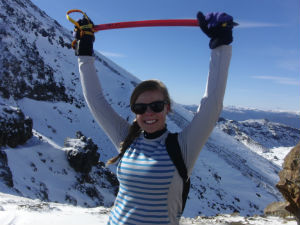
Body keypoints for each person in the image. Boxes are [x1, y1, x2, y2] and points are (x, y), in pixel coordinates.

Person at [74, 11, 236, 225]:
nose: (148, 113)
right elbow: (96, 100)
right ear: (134, 111)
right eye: (141, 107)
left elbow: (212, 104)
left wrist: (220, 46)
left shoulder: (182, 146)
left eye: (156, 106)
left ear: (167, 108)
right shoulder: (126, 140)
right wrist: (84, 52)